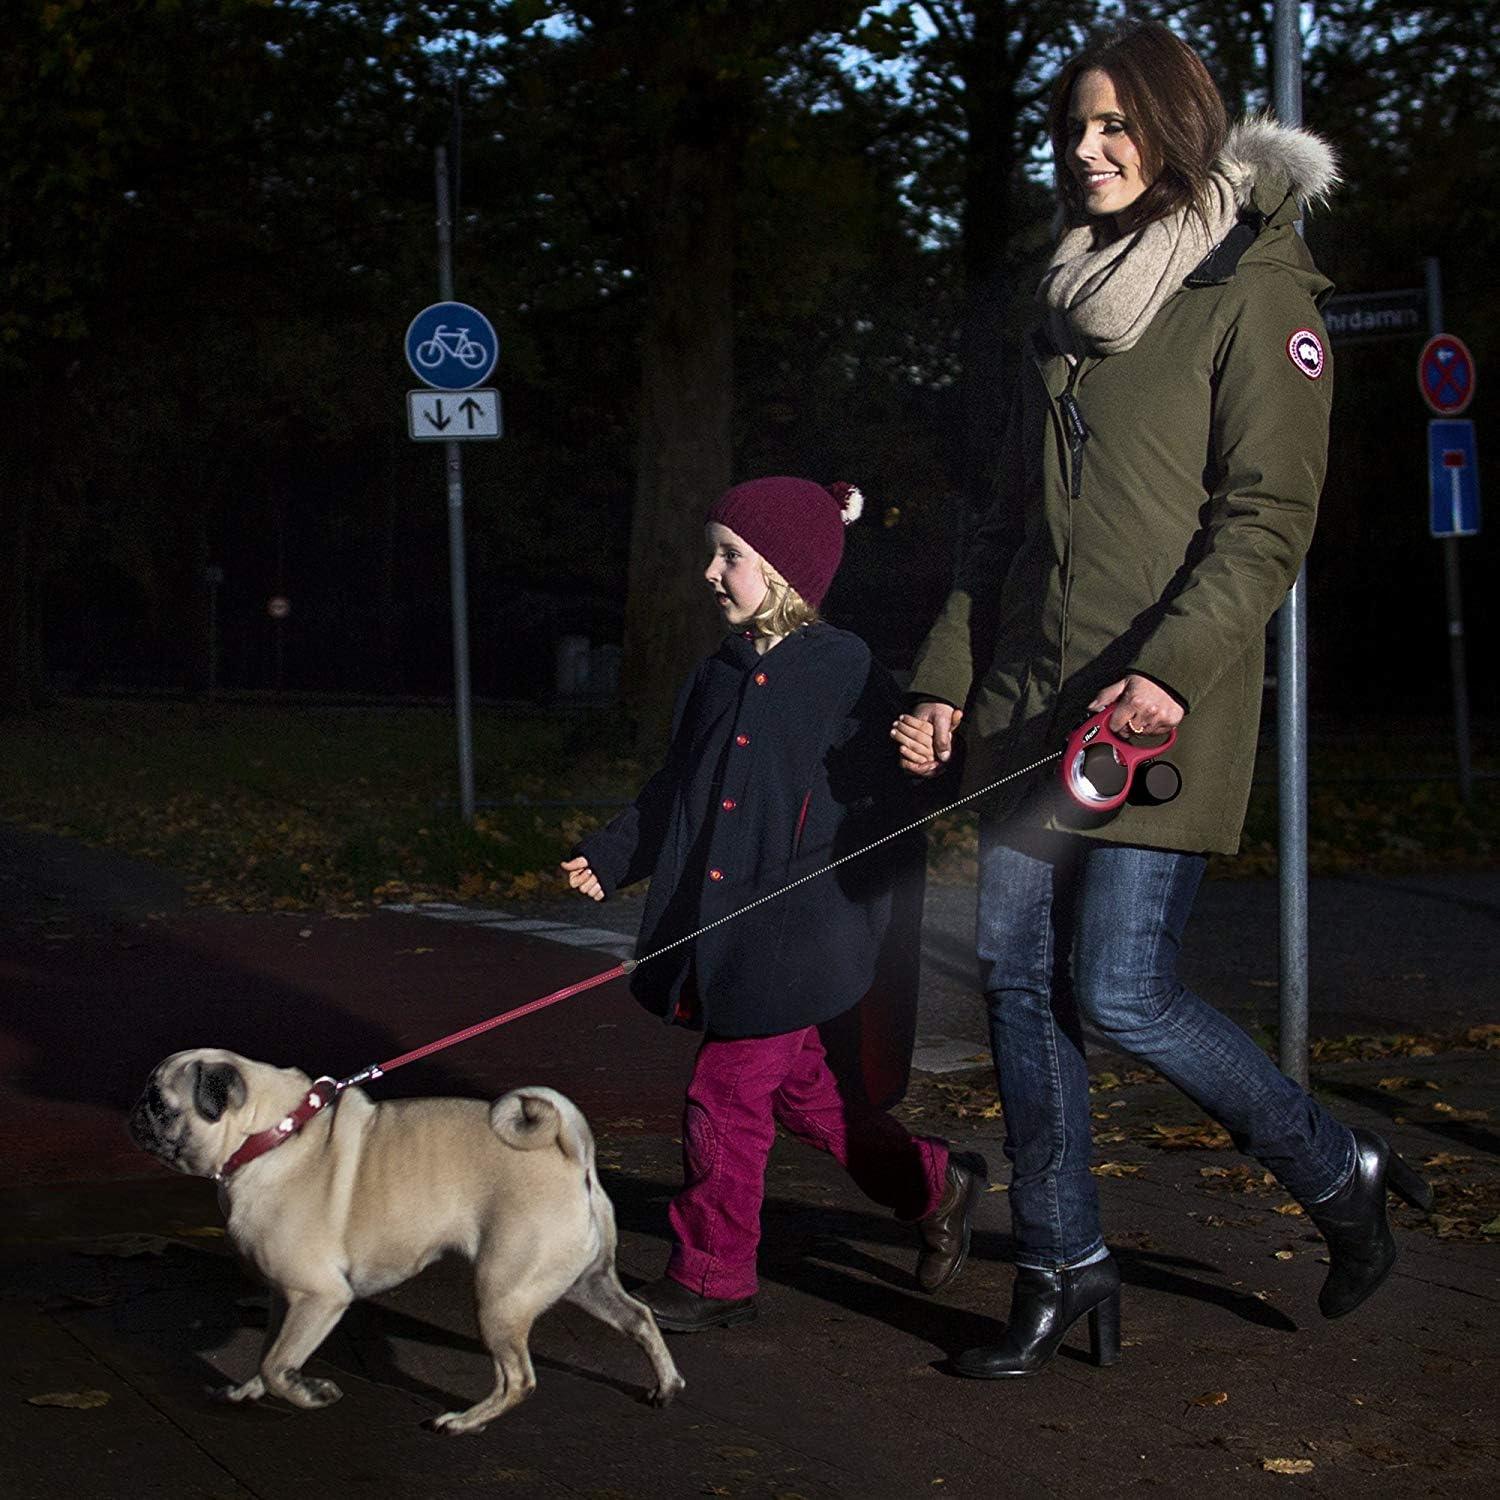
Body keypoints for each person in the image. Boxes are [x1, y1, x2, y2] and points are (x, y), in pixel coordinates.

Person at [891, 21, 1431, 1378]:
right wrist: (948, 681)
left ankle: (1339, 1170)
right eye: (1073, 128)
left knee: (1120, 990)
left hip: (1153, 712)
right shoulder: (1057, 301)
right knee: (1018, 979)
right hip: (1028, 703)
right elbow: (1002, 522)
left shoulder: (1255, 291)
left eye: (1117, 126)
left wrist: (1168, 670)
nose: (1088, 151)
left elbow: (1266, 523)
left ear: (1180, 129)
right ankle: (1065, 1262)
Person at [563, 475, 987, 1332]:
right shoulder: (716, 677)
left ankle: (712, 1274)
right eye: (713, 554)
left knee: (722, 1097)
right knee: (804, 1099)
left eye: (733, 558)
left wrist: (919, 762)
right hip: (727, 932)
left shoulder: (847, 672)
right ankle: (937, 1186)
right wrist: (612, 857)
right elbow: (676, 789)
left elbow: (892, 801)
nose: (711, 573)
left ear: (789, 574)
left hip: (802, 932)